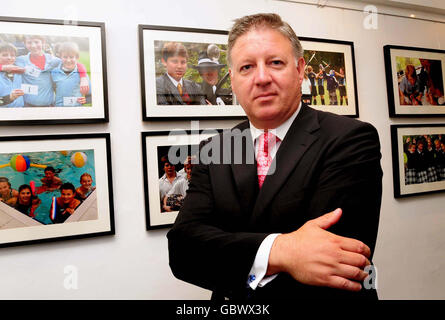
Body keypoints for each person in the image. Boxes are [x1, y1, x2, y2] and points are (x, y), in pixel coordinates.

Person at [167, 13, 383, 300]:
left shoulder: (349, 139)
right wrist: (283, 250)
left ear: (300, 69)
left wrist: (229, 253)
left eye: (275, 63)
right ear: (232, 80)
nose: (262, 78)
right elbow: (184, 251)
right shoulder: (214, 149)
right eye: (246, 67)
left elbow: (338, 262)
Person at [9, 35, 89, 107]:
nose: (33, 46)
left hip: (49, 106)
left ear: (43, 42)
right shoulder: (20, 60)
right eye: (29, 43)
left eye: (36, 42)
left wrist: (83, 78)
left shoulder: (53, 61)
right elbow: (3, 64)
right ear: (25, 44)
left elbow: (76, 63)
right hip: (28, 106)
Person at [51, 42, 90, 107]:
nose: (68, 60)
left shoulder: (83, 76)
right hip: (59, 110)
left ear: (77, 57)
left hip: (76, 111)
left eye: (71, 57)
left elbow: (90, 96)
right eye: (65, 57)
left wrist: (85, 100)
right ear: (60, 57)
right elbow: (51, 90)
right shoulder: (54, 73)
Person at [0, 43, 24, 107]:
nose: (9, 58)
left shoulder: (19, 72)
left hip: (20, 112)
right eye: (4, 55)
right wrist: (9, 98)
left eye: (12, 55)